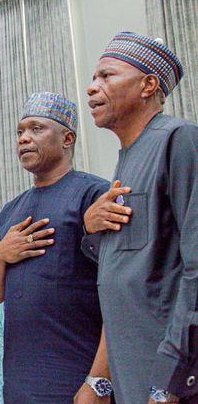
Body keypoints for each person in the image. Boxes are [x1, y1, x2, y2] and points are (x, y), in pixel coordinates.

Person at [84, 32, 198, 404]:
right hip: (134, 373)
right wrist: (91, 229)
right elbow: (130, 271)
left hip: (171, 379)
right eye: (93, 78)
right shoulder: (128, 157)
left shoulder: (179, 139)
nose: (91, 87)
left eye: (106, 76)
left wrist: (171, 379)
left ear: (148, 85)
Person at [0, 92, 110, 404]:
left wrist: (98, 381)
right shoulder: (11, 211)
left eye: (36, 129)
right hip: (20, 381)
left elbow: (120, 296)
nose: (23, 139)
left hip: (78, 376)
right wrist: (0, 255)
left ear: (67, 138)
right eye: (20, 132)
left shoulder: (93, 195)